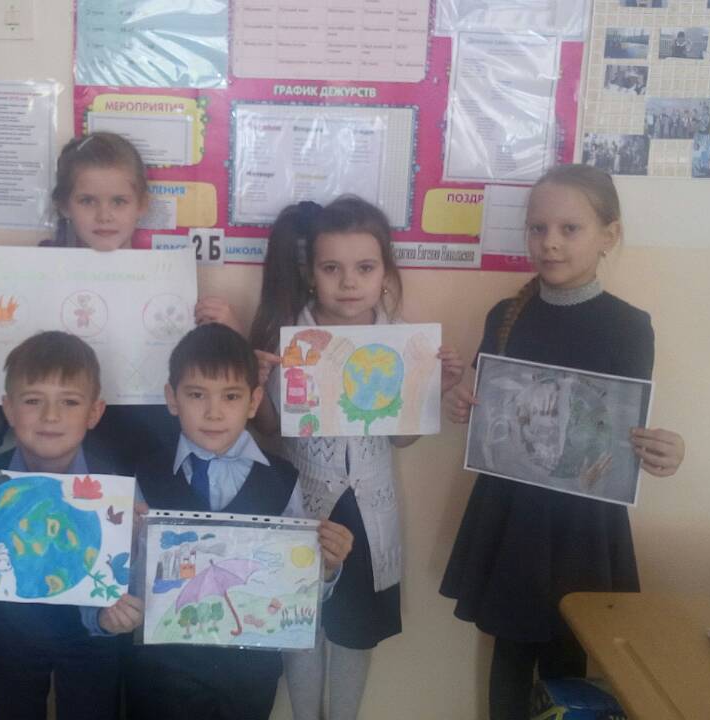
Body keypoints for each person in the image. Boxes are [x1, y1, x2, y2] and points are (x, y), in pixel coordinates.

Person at [438, 164, 687, 720]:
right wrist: (460, 406)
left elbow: (625, 426)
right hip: (511, 512)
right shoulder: (505, 315)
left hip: (583, 521)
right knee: (509, 648)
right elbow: (487, 410)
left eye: (569, 229)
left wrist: (666, 452)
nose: (550, 242)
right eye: (538, 228)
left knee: (568, 655)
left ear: (609, 235)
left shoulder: (629, 327)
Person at [246, 197, 464, 720]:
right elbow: (271, 431)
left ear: (385, 273)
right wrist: (257, 385)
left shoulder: (402, 340)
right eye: (332, 268)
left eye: (365, 268)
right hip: (304, 506)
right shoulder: (290, 337)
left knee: (354, 634)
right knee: (299, 625)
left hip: (368, 512)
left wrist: (432, 390)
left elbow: (401, 440)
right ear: (311, 273)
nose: (349, 282)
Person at [0, 131, 238, 474]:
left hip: (150, 449)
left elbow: (202, 381)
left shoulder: (168, 283)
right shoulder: (31, 273)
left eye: (119, 201)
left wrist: (228, 334)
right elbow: (7, 373)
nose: (104, 215)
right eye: (88, 201)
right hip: (58, 454)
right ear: (65, 205)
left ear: (142, 205)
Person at [122, 323, 355, 720]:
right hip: (161, 674)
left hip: (249, 678)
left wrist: (328, 566)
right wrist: (127, 546)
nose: (214, 412)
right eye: (196, 395)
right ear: (172, 399)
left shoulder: (282, 480)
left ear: (253, 401)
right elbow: (129, 583)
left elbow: (296, 584)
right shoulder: (144, 476)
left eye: (230, 396)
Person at [0, 331, 143, 720]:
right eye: (33, 400)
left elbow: (128, 572)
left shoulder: (119, 490)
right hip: (9, 639)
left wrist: (115, 616)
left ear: (94, 412)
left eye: (69, 402)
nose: (51, 416)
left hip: (92, 640)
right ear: (9, 409)